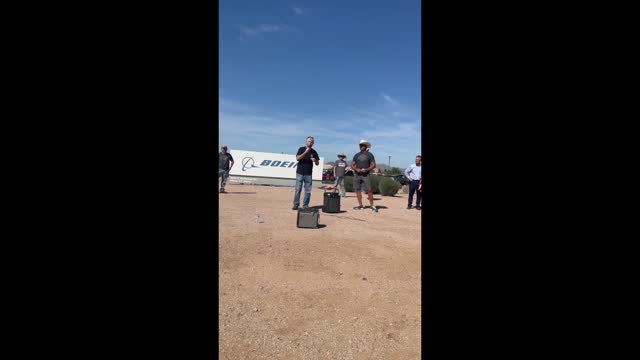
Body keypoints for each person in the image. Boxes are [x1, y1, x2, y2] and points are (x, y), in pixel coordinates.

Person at [292, 136, 320, 210]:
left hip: (308, 174)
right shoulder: (301, 149)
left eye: (311, 142)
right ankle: (296, 204)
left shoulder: (314, 152)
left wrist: (315, 160)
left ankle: (305, 205)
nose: (310, 142)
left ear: (313, 143)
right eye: (308, 141)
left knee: (308, 191)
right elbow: (297, 158)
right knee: (298, 189)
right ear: (306, 142)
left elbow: (317, 163)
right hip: (300, 173)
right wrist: (305, 152)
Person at [351, 140, 378, 212]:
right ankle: (360, 205)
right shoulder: (356, 155)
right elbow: (352, 165)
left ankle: (372, 205)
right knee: (357, 189)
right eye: (360, 145)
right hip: (357, 174)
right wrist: (356, 169)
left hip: (366, 175)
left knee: (369, 190)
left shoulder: (370, 155)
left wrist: (367, 169)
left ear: (365, 146)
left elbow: (373, 164)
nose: (360, 147)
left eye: (362, 145)